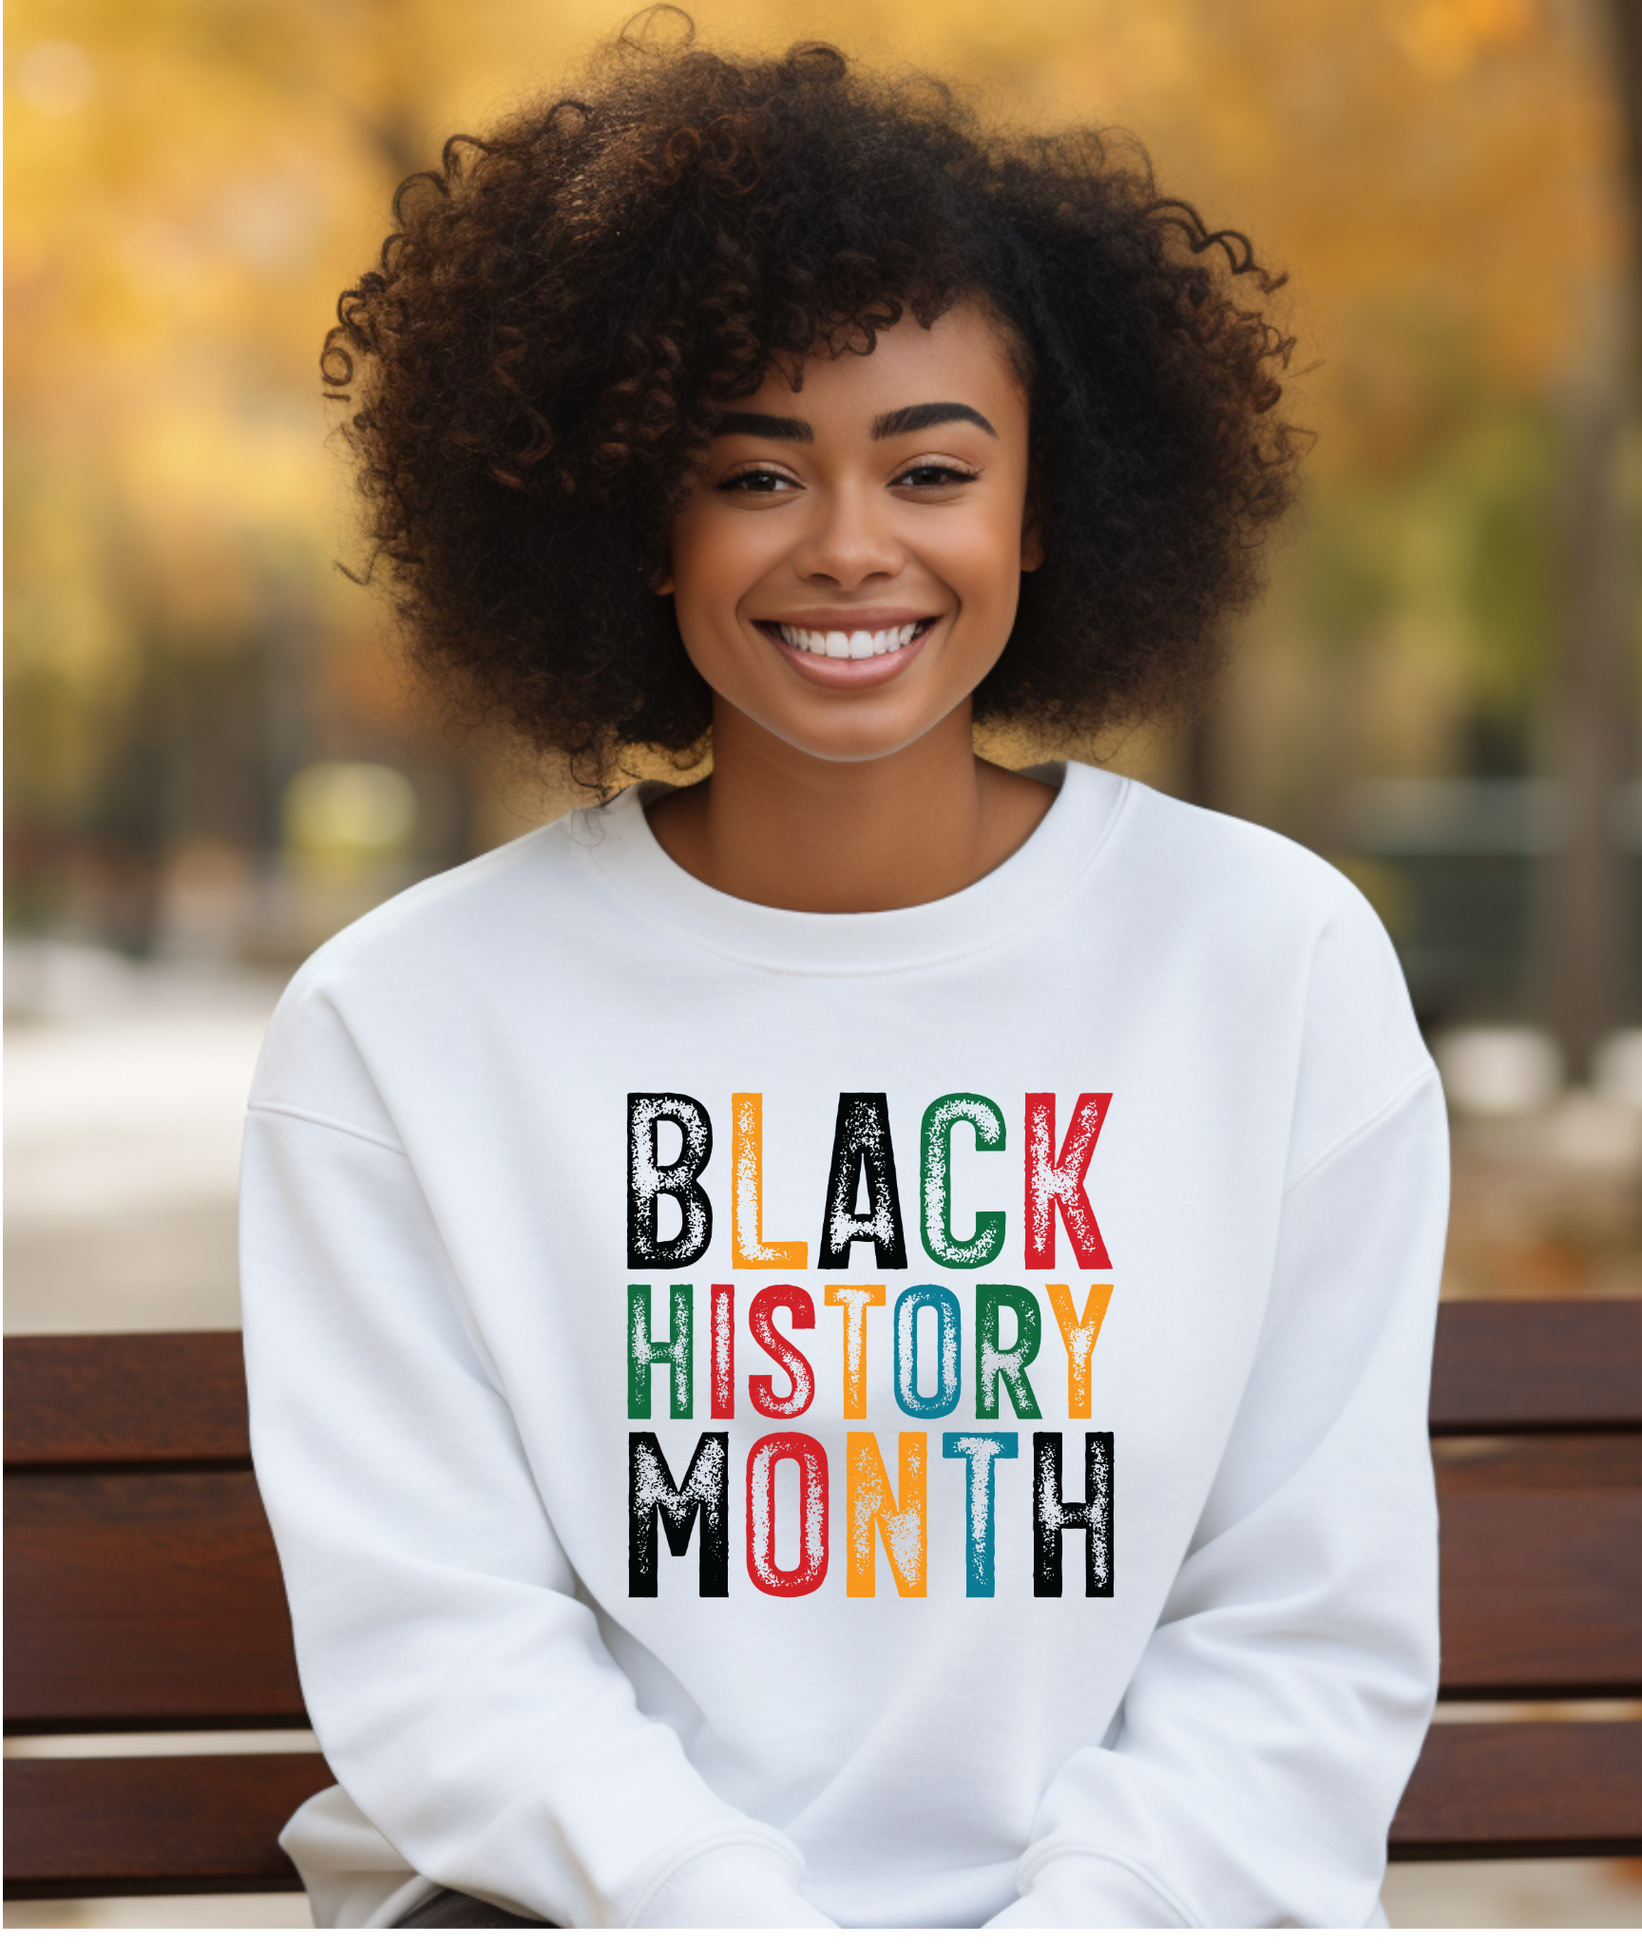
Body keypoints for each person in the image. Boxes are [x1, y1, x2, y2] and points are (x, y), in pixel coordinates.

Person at [242, 18, 1447, 1929]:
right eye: (753, 475)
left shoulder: (1271, 966)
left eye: (932, 467)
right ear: (638, 519)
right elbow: (445, 1651)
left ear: (1043, 513)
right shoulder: (401, 1027)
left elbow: (1303, 1614)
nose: (851, 548)